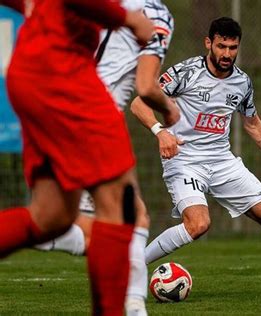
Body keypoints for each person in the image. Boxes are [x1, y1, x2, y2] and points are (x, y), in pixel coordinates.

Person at [130, 16, 261, 297]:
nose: (227, 54)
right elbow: (138, 103)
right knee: (198, 224)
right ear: (209, 43)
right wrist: (160, 131)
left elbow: (255, 127)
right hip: (184, 159)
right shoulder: (186, 72)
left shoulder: (242, 82)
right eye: (221, 46)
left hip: (222, 161)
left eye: (233, 48)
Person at [0, 0, 161, 314]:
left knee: (51, 216)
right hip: (59, 71)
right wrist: (129, 19)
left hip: (39, 68)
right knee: (120, 200)